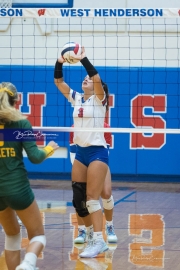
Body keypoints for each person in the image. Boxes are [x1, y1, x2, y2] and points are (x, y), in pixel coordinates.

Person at [54, 47, 111, 258]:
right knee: (78, 199)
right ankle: (88, 234)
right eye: (84, 78)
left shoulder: (100, 99)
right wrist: (59, 62)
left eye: (88, 78)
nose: (85, 79)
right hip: (80, 153)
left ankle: (99, 241)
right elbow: (58, 82)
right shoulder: (77, 98)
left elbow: (96, 77)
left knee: (92, 198)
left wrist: (82, 58)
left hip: (97, 153)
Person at [0, 82, 59, 270]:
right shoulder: (21, 123)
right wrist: (50, 148)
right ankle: (28, 264)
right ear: (16, 100)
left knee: (12, 236)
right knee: (38, 236)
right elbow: (35, 157)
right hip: (18, 188)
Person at [69, 123, 118, 245]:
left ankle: (109, 226)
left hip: (98, 161)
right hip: (80, 160)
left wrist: (93, 170)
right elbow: (73, 153)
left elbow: (105, 153)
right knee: (80, 194)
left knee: (106, 193)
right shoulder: (75, 127)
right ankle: (82, 230)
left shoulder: (105, 127)